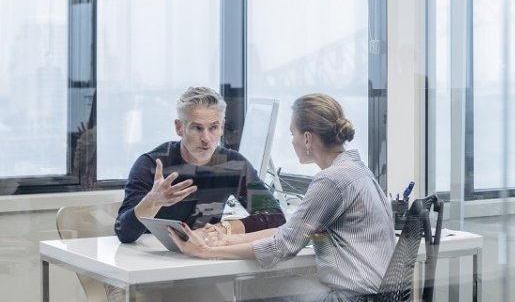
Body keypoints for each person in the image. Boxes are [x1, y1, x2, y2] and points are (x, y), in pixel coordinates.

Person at [168, 93, 395, 302]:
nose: (291, 140)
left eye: (292, 133)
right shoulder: (356, 169)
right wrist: (227, 239)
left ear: (307, 138)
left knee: (250, 286)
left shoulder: (331, 181)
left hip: (352, 298)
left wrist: (207, 251)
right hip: (374, 293)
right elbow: (291, 232)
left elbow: (283, 246)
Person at [115, 86, 286, 243]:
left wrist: (223, 228)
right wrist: (151, 202)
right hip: (153, 259)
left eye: (213, 127)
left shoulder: (234, 164)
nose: (206, 138)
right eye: (197, 128)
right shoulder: (152, 164)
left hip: (203, 255)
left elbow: (275, 217)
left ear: (222, 127)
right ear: (179, 127)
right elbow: (124, 232)